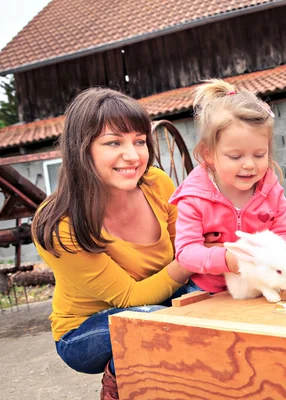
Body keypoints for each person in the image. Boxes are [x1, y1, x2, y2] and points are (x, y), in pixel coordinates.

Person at [32, 88, 194, 400]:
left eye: (139, 140)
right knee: (151, 322)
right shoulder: (60, 223)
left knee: (211, 299)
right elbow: (130, 297)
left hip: (160, 304)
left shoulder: (157, 184)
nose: (133, 156)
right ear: (83, 149)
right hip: (86, 332)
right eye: (113, 142)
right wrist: (194, 259)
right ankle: (120, 388)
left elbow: (186, 246)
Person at [169, 79, 286, 293]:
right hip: (207, 291)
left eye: (259, 155)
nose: (249, 164)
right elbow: (186, 252)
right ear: (208, 153)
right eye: (235, 156)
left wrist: (270, 252)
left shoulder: (271, 191)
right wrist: (227, 260)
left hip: (261, 286)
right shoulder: (193, 198)